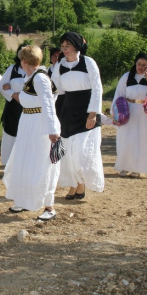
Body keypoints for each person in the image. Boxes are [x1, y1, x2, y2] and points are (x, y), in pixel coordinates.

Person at [3, 46, 61, 220]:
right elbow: (29, 100)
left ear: (24, 61)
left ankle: (49, 207)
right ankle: (24, 200)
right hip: (28, 124)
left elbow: (49, 104)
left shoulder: (40, 78)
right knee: (24, 162)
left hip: (40, 126)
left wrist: (52, 130)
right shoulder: (31, 78)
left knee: (42, 164)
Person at [51, 32, 104, 199]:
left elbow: (97, 88)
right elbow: (56, 90)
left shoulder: (88, 62)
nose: (64, 50)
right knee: (68, 152)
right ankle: (75, 185)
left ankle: (82, 182)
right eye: (63, 47)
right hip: (67, 110)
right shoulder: (60, 65)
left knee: (81, 151)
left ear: (76, 46)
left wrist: (93, 113)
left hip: (86, 111)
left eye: (68, 46)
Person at [113, 53, 147, 177]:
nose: (140, 67)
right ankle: (124, 166)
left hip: (145, 113)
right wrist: (116, 113)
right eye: (139, 64)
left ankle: (137, 168)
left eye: (144, 65)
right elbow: (119, 94)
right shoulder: (127, 77)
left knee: (142, 140)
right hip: (128, 111)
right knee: (126, 139)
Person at [0, 46, 27, 166]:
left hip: (30, 108)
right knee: (11, 134)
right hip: (13, 108)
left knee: (26, 134)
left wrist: (14, 89)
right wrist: (13, 94)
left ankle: (24, 163)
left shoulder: (38, 70)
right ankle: (9, 164)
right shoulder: (12, 68)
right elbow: (2, 86)